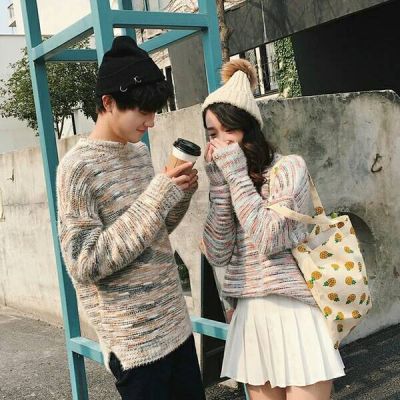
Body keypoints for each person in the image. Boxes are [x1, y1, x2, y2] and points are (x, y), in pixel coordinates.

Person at [56, 36, 205, 400]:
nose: (150, 122)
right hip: (135, 344)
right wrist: (157, 196)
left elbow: (153, 232)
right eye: (142, 112)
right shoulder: (77, 168)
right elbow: (85, 262)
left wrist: (178, 195)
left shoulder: (138, 154)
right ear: (108, 102)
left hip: (175, 325)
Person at [200, 59, 345, 400]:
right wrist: (219, 185)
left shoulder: (288, 169)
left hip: (295, 310)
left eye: (229, 130)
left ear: (249, 130)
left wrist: (235, 175)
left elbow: (268, 237)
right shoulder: (228, 181)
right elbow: (217, 253)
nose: (220, 143)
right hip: (250, 315)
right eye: (212, 134)